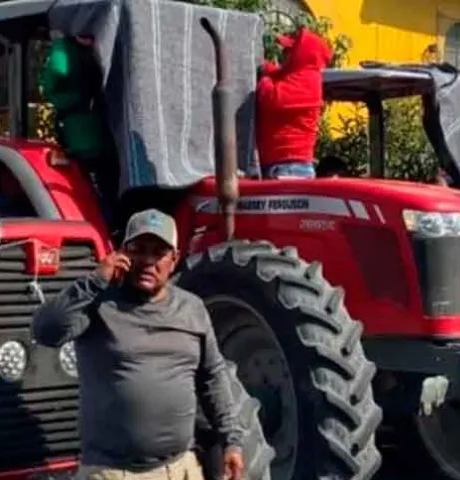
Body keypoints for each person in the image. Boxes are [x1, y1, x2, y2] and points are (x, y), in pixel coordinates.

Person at [31, 209, 246, 480]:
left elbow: (213, 377)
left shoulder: (192, 308)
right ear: (123, 253)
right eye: (138, 249)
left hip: (180, 468)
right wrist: (95, 281)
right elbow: (45, 331)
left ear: (174, 259)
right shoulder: (99, 304)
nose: (147, 261)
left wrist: (231, 441)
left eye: (158, 253)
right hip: (113, 472)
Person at [40, 32, 120, 222]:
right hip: (114, 133)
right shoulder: (108, 41)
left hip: (83, 135)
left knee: (93, 192)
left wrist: (59, 42)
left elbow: (58, 71)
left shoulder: (66, 49)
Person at [256, 26, 333, 179]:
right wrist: (267, 69)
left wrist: (263, 78)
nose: (284, 55)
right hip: (282, 164)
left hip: (291, 166)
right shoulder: (296, 76)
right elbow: (277, 74)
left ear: (303, 55)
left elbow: (271, 98)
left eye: (289, 51)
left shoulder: (308, 81)